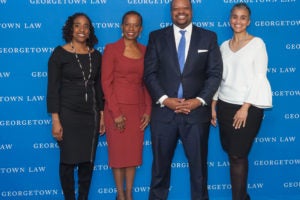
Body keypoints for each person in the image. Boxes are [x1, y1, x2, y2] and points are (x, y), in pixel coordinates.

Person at [143, 0, 223, 199]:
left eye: (185, 8)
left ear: (191, 11)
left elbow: (214, 74)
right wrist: (164, 99)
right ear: (171, 12)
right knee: (159, 171)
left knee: (199, 172)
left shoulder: (208, 37)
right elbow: (150, 74)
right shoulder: (156, 37)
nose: (181, 12)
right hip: (163, 115)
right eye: (176, 8)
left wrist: (199, 101)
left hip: (196, 115)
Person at [211, 3, 272, 200]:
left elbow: (259, 77)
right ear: (230, 20)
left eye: (243, 17)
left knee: (238, 155)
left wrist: (245, 107)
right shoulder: (223, 46)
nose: (238, 21)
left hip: (248, 108)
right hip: (225, 106)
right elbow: (219, 77)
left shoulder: (257, 44)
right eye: (235, 17)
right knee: (232, 154)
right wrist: (213, 104)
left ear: (249, 21)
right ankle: (242, 196)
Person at [47, 13, 105, 200]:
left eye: (86, 26)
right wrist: (56, 120)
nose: (82, 30)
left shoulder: (96, 56)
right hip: (68, 115)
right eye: (77, 25)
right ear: (70, 29)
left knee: (87, 162)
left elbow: (98, 88)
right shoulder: (59, 54)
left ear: (90, 31)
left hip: (91, 117)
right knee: (67, 163)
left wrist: (102, 116)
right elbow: (53, 89)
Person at [101, 11, 152, 200]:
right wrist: (115, 113)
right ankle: (120, 194)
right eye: (128, 25)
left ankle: (129, 193)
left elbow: (147, 83)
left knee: (132, 155)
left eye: (135, 25)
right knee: (118, 155)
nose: (131, 28)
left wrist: (148, 110)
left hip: (137, 110)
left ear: (141, 29)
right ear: (121, 27)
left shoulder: (146, 51)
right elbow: (106, 83)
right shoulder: (111, 49)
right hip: (116, 109)